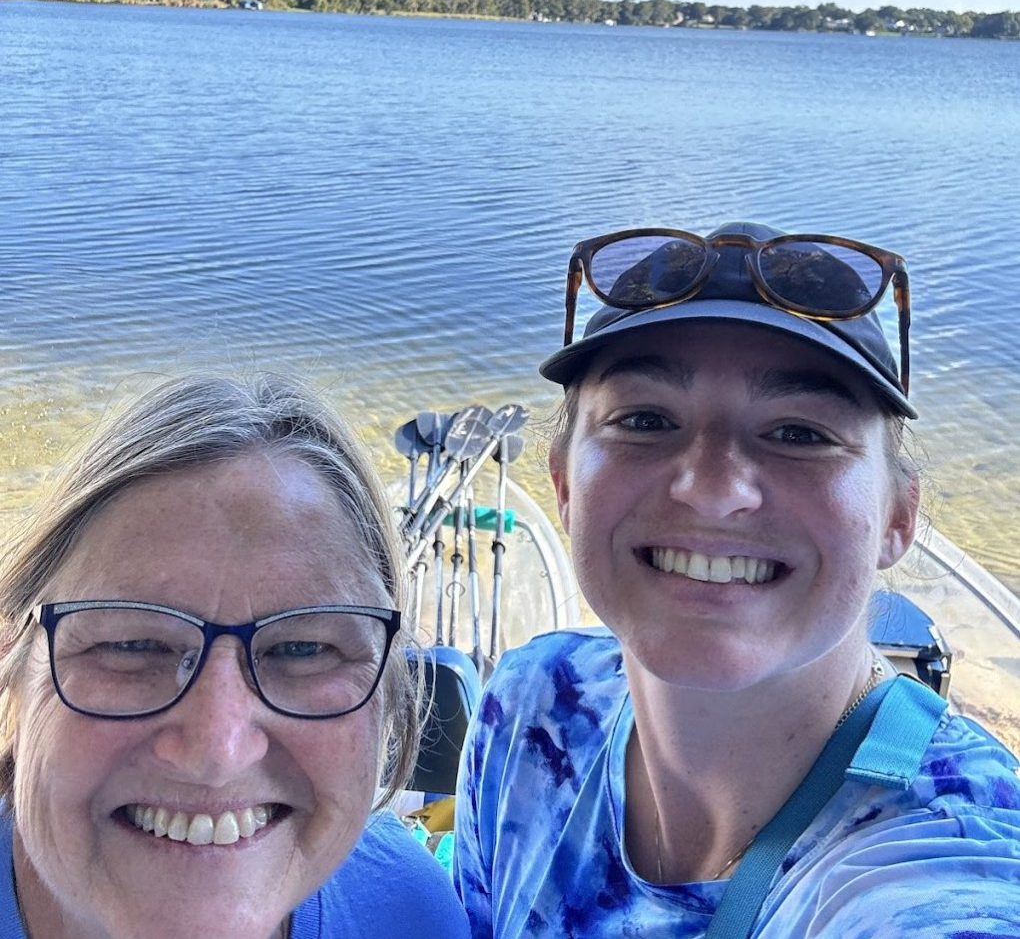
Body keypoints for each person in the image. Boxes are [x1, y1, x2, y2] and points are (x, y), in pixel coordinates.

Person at [454, 222, 1020, 937]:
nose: (713, 488)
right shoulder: (533, 709)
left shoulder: (947, 862)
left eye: (799, 433)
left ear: (896, 517)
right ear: (565, 484)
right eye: (646, 419)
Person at [0, 374, 470, 939]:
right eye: (131, 645)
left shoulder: (410, 911)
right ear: (13, 666)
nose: (217, 751)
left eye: (303, 649)